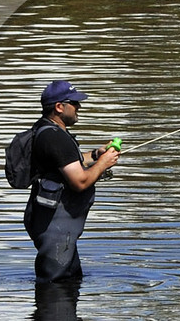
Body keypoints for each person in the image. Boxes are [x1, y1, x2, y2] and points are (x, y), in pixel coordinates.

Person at [24, 82, 119, 285]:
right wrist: (103, 164)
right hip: (56, 226)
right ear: (59, 106)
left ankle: (58, 315)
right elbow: (79, 182)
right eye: (74, 103)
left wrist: (95, 155)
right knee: (56, 286)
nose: (79, 108)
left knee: (70, 281)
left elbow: (65, 163)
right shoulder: (55, 138)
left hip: (52, 222)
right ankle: (52, 316)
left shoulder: (45, 129)